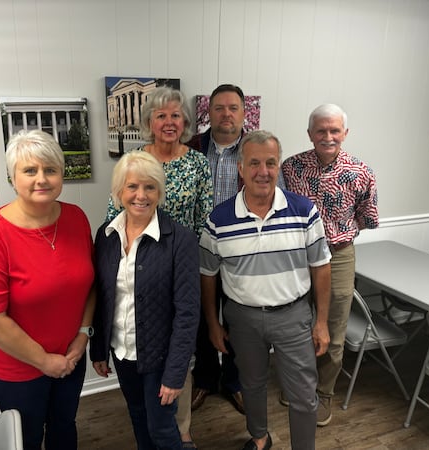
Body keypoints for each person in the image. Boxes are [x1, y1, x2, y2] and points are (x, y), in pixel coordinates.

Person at [0, 129, 95, 450]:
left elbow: (90, 284)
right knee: (28, 439)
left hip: (70, 356)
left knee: (65, 428)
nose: (42, 179)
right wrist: (44, 362)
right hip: (16, 368)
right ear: (12, 177)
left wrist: (82, 334)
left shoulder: (76, 218)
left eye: (50, 169)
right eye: (30, 170)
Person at [200, 130, 331, 450]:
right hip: (241, 320)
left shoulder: (304, 211)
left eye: (271, 163)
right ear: (240, 169)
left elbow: (321, 267)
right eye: (254, 163)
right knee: (252, 384)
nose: (263, 171)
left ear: (278, 166)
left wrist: (322, 321)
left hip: (294, 315)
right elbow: (208, 275)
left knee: (303, 393)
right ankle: (260, 438)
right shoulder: (218, 220)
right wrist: (214, 324)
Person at [104, 86, 212, 447]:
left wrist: (181, 260)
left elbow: (203, 221)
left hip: (179, 263)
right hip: (135, 270)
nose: (169, 122)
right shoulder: (133, 161)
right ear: (149, 121)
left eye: (176, 115)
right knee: (143, 410)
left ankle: (181, 433)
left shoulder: (197, 163)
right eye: (161, 115)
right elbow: (112, 225)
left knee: (167, 398)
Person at [186, 84, 286, 415]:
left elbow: (275, 197)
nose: (226, 114)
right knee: (202, 318)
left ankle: (233, 382)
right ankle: (204, 379)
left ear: (244, 113)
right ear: (208, 113)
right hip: (197, 250)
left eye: (233, 108)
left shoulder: (257, 150)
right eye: (219, 108)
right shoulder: (192, 149)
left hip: (243, 252)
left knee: (236, 320)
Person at [90, 151, 200, 450]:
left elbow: (188, 314)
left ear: (160, 192)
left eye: (150, 187)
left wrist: (176, 373)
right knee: (138, 417)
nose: (141, 195)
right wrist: (98, 348)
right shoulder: (106, 235)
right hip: (122, 352)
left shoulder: (180, 240)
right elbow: (101, 297)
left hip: (160, 359)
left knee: (163, 428)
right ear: (118, 192)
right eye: (132, 187)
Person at [281, 104, 379, 427]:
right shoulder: (291, 167)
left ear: (345, 133)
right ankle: (297, 384)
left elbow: (367, 218)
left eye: (334, 130)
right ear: (310, 133)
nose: (328, 137)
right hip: (298, 255)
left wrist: (336, 235)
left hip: (338, 255)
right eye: (321, 130)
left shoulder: (361, 172)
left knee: (333, 328)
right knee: (297, 324)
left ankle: (324, 393)